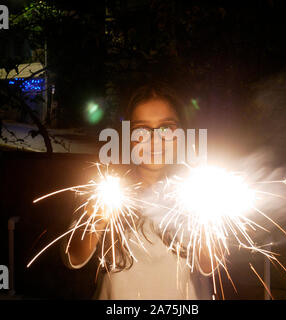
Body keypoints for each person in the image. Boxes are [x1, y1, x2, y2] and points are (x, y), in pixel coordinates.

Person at [60, 82, 213, 299]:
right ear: (127, 137)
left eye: (166, 127)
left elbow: (209, 266)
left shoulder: (200, 191)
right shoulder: (106, 187)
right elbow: (73, 259)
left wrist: (204, 218)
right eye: (141, 129)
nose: (154, 138)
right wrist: (97, 218)